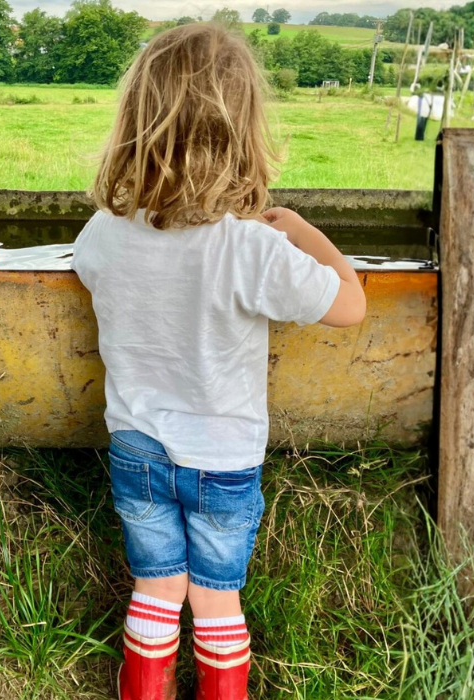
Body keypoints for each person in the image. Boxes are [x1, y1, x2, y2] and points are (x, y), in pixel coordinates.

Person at [71, 22, 367, 700]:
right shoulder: (252, 249)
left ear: (135, 124)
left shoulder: (104, 232)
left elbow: (94, 271)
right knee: (214, 598)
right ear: (244, 132)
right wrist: (304, 233)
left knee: (157, 587)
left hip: (138, 449)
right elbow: (350, 304)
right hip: (224, 460)